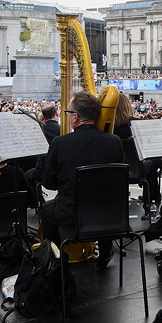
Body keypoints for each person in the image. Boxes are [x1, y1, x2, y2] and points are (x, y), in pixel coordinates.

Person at [41, 91, 124, 270]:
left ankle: (55, 258)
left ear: (76, 117)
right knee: (101, 203)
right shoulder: (114, 141)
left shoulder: (59, 143)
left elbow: (49, 183)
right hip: (110, 217)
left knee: (47, 210)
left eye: (69, 113)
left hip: (72, 217)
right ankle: (105, 252)